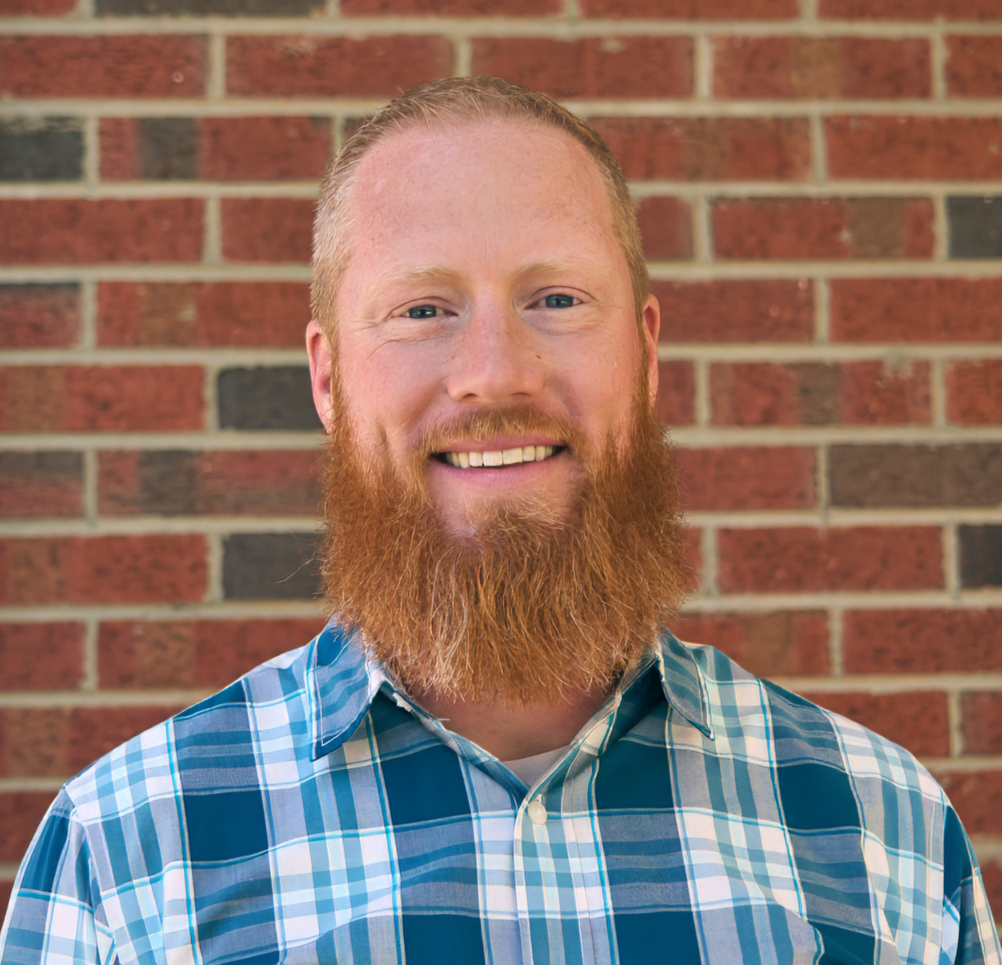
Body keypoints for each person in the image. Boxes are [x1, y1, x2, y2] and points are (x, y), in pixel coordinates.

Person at [1, 77, 998, 965]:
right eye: (423, 309)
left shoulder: (880, 829)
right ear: (328, 375)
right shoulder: (127, 857)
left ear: (647, 357)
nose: (492, 372)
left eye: (556, 298)